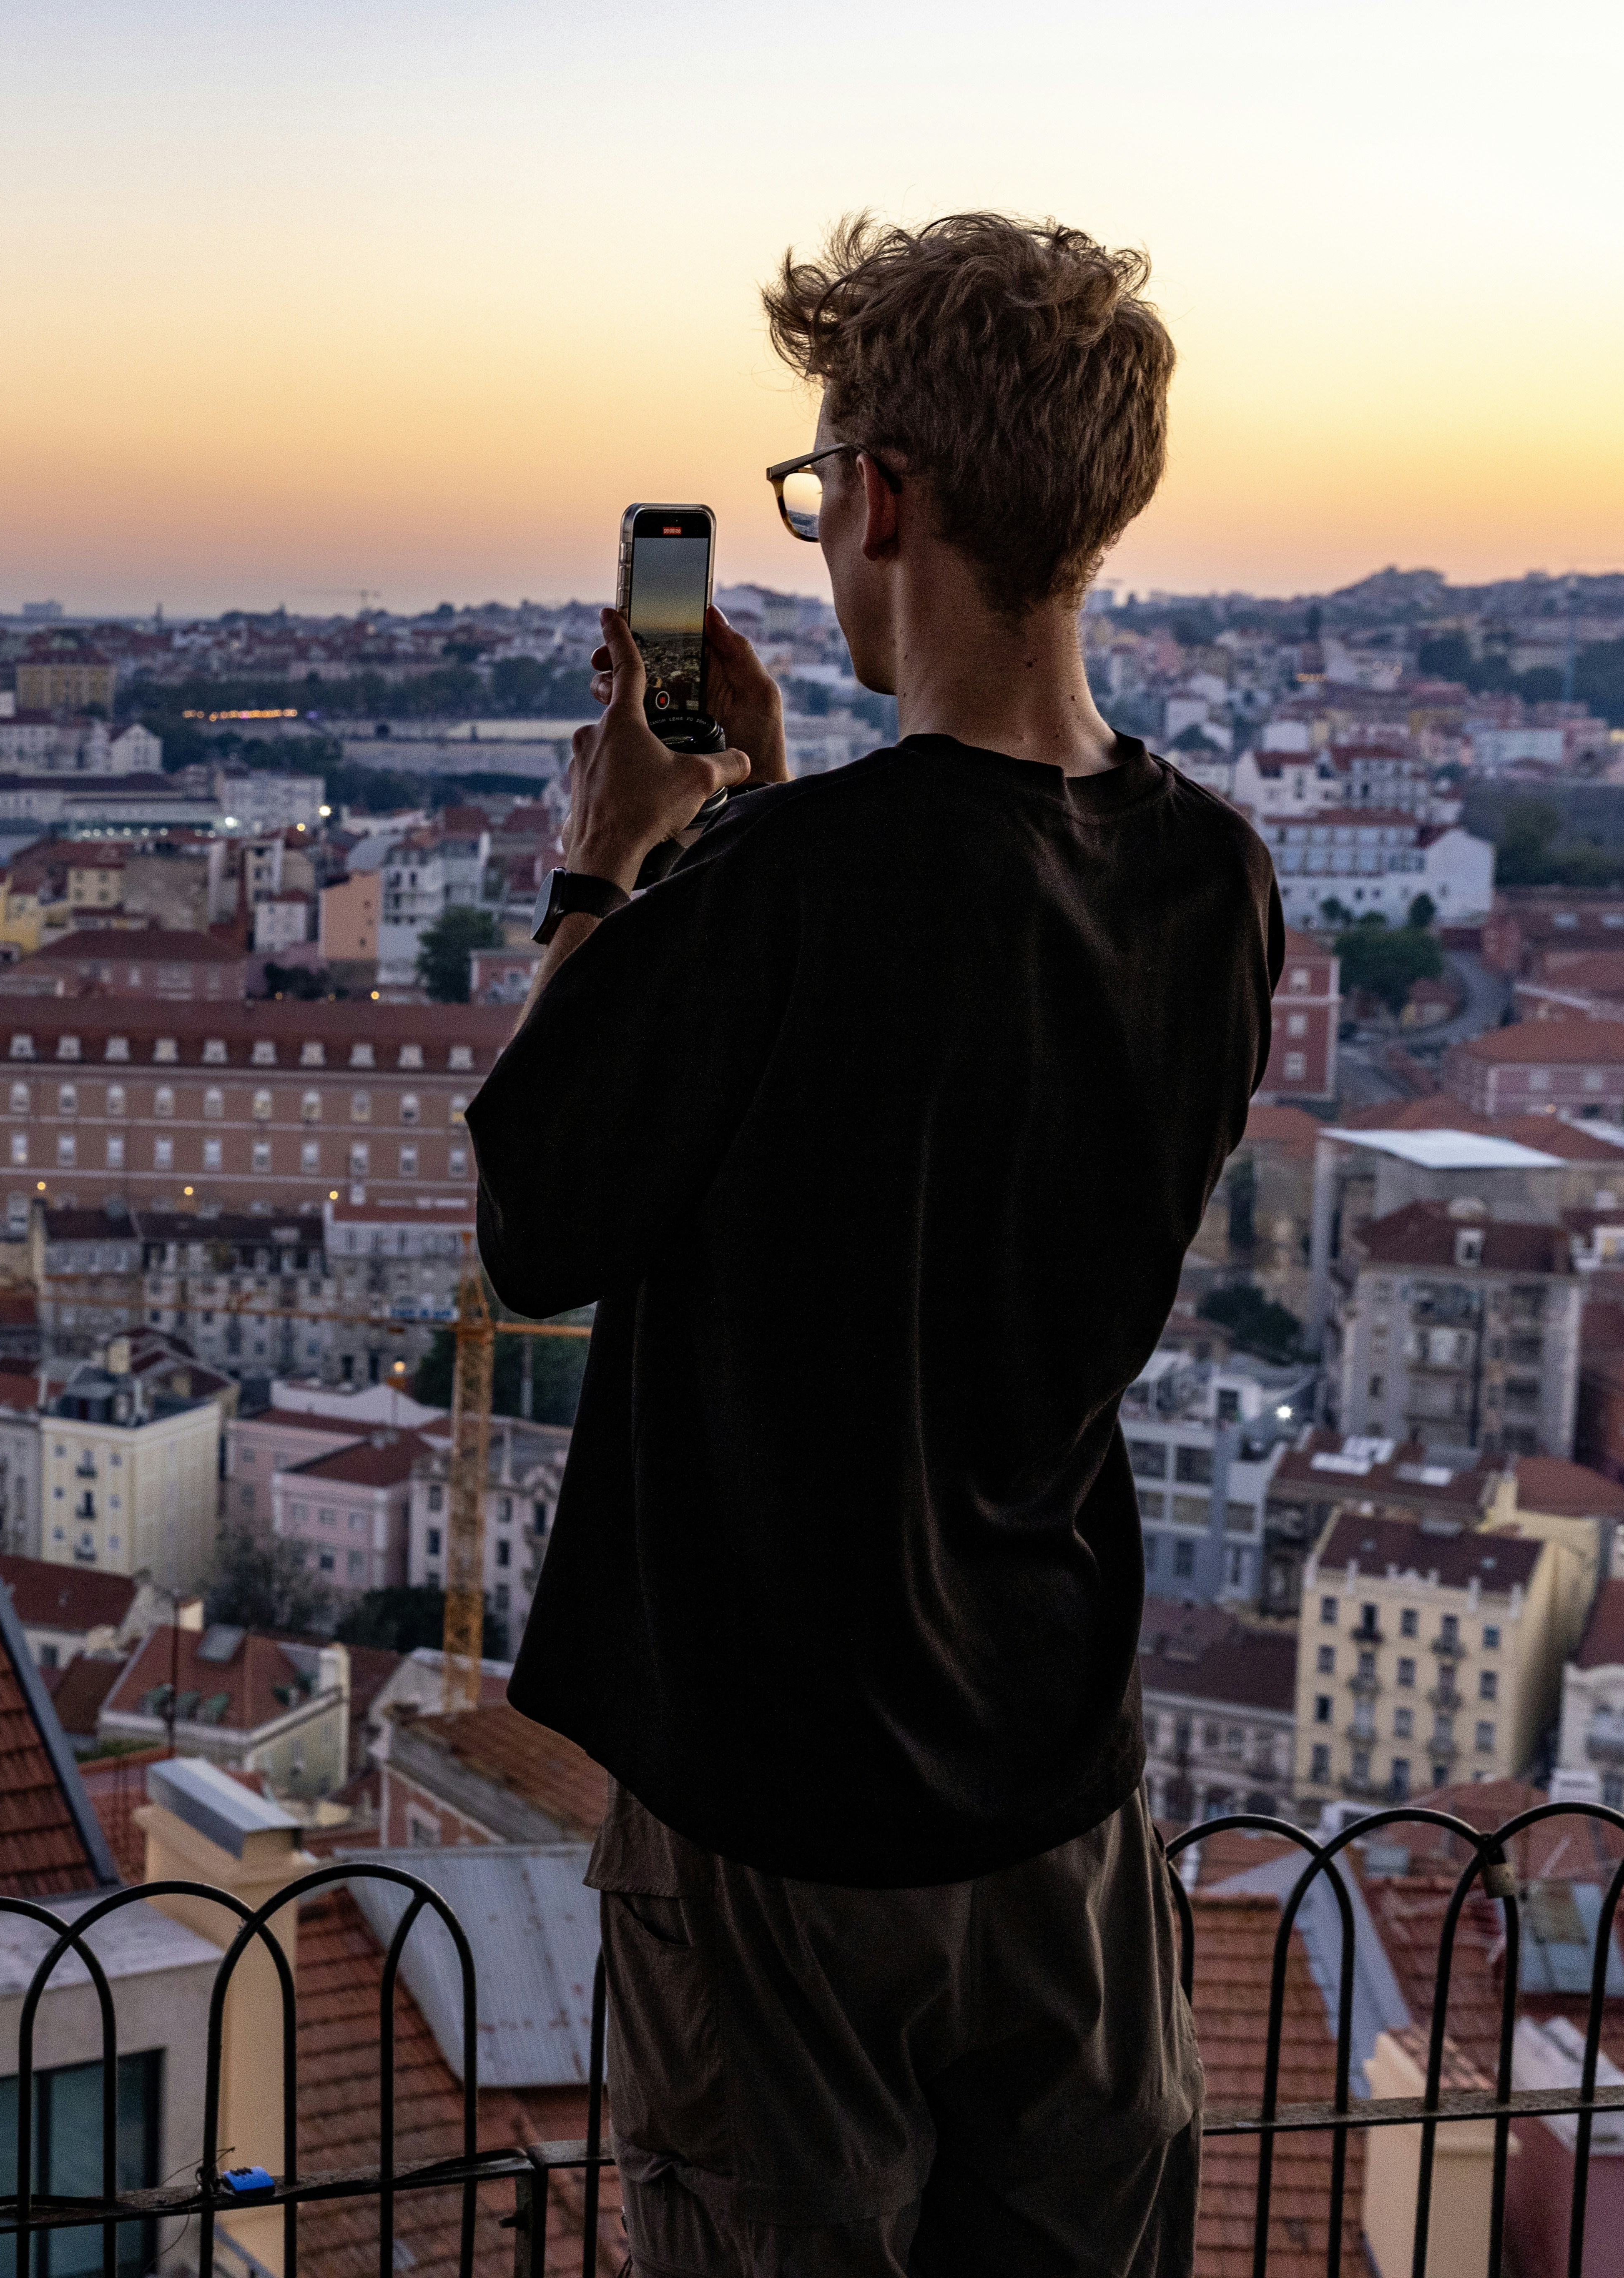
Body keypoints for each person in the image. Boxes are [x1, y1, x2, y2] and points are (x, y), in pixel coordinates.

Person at [467, 212, 1275, 2276]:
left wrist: (610, 857)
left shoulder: (772, 893)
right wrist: (771, 823)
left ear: (888, 498)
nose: (819, 529)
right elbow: (946, 1008)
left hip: (785, 1832)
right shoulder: (1210, 878)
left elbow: (536, 1218)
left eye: (818, 484)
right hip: (1063, 1819)